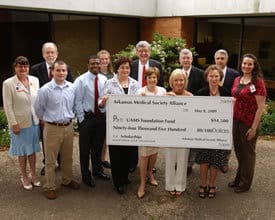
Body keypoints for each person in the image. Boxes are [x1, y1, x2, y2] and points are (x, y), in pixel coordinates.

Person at [34, 60, 79, 200]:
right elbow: (38, 109)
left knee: (67, 157)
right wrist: (47, 120)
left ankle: (67, 179)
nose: (61, 73)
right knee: (50, 160)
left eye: (63, 70)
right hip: (52, 127)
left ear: (66, 72)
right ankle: (49, 186)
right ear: (52, 72)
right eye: (58, 70)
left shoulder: (72, 87)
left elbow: (74, 106)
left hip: (68, 127)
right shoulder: (45, 89)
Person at [30, 42, 74, 176]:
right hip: (47, 114)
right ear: (43, 54)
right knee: (47, 143)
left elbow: (71, 90)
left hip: (62, 113)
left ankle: (62, 164)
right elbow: (35, 93)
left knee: (65, 146)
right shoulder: (35, 69)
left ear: (56, 54)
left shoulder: (65, 68)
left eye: (52, 52)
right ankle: (49, 163)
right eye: (47, 52)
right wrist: (42, 117)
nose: (50, 54)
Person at [100, 56, 140, 194]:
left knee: (128, 153)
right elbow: (101, 104)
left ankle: (125, 177)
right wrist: (103, 101)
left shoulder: (135, 83)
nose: (125, 70)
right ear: (117, 69)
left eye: (127, 67)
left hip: (131, 124)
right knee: (117, 154)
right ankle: (118, 182)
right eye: (122, 67)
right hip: (115, 125)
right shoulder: (109, 83)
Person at [229, 53, 266, 193]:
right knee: (239, 151)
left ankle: (245, 183)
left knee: (248, 154)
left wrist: (254, 128)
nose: (246, 66)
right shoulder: (238, 79)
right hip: (236, 120)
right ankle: (239, 178)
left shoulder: (258, 82)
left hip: (248, 123)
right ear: (241, 64)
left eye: (250, 64)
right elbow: (235, 97)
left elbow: (260, 107)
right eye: (244, 63)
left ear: (254, 66)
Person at [2, 56, 41, 191]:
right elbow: (7, 106)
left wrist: (40, 118)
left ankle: (34, 173)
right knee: (23, 152)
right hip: (19, 123)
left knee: (32, 151)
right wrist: (13, 123)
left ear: (28, 67)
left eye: (25, 66)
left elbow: (38, 101)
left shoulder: (34, 80)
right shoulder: (8, 83)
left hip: (34, 121)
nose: (23, 69)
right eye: (20, 66)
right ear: (15, 68)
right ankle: (24, 176)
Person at [74, 55, 110, 188]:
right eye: (92, 64)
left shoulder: (104, 79)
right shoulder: (80, 80)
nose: (95, 66)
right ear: (88, 65)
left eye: (97, 64)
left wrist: (102, 105)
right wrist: (81, 119)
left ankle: (97, 171)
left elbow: (102, 97)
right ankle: (85, 176)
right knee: (85, 150)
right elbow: (77, 101)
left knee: (97, 147)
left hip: (100, 118)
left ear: (100, 64)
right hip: (86, 119)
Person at [195, 65, 231, 199]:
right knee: (204, 160)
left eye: (216, 76)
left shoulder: (226, 93)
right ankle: (203, 185)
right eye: (211, 76)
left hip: (219, 133)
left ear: (220, 77)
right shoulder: (200, 93)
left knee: (216, 160)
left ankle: (211, 185)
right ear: (207, 77)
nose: (214, 79)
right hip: (204, 132)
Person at [130, 40, 164, 173]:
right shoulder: (131, 65)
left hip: (153, 107)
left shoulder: (157, 65)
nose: (143, 53)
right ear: (137, 52)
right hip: (135, 105)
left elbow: (161, 84)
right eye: (141, 51)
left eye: (146, 50)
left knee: (151, 137)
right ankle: (133, 162)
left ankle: (151, 165)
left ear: (150, 52)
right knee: (134, 135)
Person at [136, 67, 166, 199]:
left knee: (154, 153)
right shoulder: (140, 91)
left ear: (157, 78)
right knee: (144, 156)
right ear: (146, 79)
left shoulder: (162, 91)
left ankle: (150, 174)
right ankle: (142, 183)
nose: (152, 80)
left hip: (158, 127)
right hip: (144, 128)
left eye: (154, 77)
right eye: (150, 78)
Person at [179, 48, 206, 175]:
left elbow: (203, 91)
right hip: (179, 112)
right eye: (183, 58)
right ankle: (179, 161)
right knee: (180, 137)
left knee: (192, 139)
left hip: (194, 111)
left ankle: (189, 164)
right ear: (180, 60)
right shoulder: (176, 72)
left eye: (188, 58)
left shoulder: (200, 73)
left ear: (191, 59)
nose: (185, 60)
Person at [165, 69, 192, 196]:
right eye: (176, 80)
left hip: (185, 134)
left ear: (185, 81)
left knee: (182, 160)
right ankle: (170, 185)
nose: (179, 83)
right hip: (170, 133)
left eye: (181, 80)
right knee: (170, 159)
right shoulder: (166, 96)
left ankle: (180, 186)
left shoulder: (190, 97)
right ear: (172, 82)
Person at [214, 49, 239, 173]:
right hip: (212, 110)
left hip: (228, 111)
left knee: (226, 137)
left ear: (226, 60)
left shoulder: (234, 74)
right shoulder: (210, 72)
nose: (220, 60)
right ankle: (212, 160)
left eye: (222, 58)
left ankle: (224, 162)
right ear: (215, 59)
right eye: (218, 58)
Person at [97, 49, 115, 169]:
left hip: (111, 110)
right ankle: (97, 159)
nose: (104, 61)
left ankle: (103, 158)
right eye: (101, 59)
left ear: (109, 60)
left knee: (107, 137)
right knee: (99, 136)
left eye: (106, 59)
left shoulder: (113, 75)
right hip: (99, 110)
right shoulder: (95, 75)